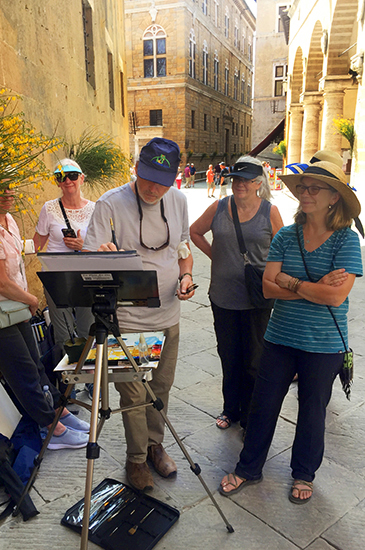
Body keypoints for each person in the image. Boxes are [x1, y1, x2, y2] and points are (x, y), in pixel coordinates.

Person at [218, 161, 362, 504]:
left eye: (315, 188)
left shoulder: (347, 240)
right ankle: (248, 467)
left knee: (313, 411)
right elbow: (268, 288)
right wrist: (311, 286)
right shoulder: (286, 235)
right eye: (303, 188)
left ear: (333, 198)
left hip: (324, 343)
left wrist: (292, 282)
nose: (305, 194)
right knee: (262, 406)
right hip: (280, 337)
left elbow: (335, 296)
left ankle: (304, 474)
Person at [83, 137, 196, 491]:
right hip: (126, 320)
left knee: (160, 388)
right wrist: (103, 255)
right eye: (147, 179)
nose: (153, 189)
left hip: (168, 314)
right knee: (132, 395)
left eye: (162, 183)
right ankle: (135, 460)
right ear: (135, 169)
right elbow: (90, 258)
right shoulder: (109, 204)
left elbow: (183, 248)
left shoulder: (177, 200)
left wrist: (187, 275)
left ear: (173, 179)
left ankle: (154, 445)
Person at [0, 187, 90, 450]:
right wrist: (31, 299)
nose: (8, 194)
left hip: (13, 306)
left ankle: (58, 410)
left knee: (35, 364)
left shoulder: (8, 221)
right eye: (1, 189)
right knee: (23, 372)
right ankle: (50, 429)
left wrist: (24, 298)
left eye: (10, 188)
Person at [190, 156, 283, 435]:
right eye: (236, 179)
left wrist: (273, 275)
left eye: (246, 180)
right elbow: (194, 232)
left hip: (257, 298)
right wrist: (214, 255)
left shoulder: (270, 211)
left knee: (254, 360)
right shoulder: (219, 207)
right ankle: (231, 408)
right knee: (228, 356)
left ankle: (251, 414)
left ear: (258, 183)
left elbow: (284, 249)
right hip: (223, 296)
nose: (240, 184)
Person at [33, 159, 95, 349]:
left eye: (73, 176)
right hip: (56, 277)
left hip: (86, 277)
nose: (68, 180)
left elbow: (104, 246)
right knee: (63, 335)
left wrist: (84, 245)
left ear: (82, 178)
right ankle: (66, 377)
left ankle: (89, 375)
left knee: (88, 330)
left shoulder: (94, 208)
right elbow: (37, 244)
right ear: (57, 182)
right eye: (61, 177)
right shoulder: (49, 208)